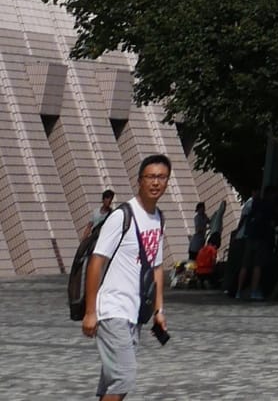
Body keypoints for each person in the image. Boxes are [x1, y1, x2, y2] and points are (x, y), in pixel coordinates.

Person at [80, 151, 170, 400]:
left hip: (135, 311)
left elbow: (157, 267)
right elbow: (96, 262)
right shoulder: (122, 216)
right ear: (139, 180)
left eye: (161, 177)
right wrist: (90, 312)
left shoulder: (158, 218)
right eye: (150, 177)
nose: (155, 182)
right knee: (124, 377)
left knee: (112, 380)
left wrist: (158, 311)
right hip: (112, 308)